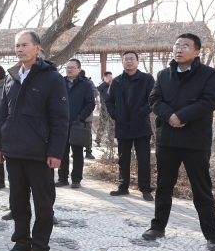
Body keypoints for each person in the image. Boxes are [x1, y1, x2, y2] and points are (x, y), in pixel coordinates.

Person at [143, 33, 215, 251]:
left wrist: (182, 116)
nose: (179, 49)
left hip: (195, 140)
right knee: (163, 186)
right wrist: (171, 116)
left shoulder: (209, 74)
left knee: (202, 189)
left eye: (185, 46)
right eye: (176, 45)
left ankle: (212, 236)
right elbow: (154, 100)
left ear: (196, 52)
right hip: (168, 139)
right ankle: (158, 227)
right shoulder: (163, 74)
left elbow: (210, 100)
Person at [0, 30, 68, 251]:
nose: (20, 49)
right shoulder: (11, 77)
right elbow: (2, 115)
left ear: (37, 49)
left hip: (40, 152)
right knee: (18, 202)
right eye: (17, 45)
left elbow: (60, 119)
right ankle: (22, 243)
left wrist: (55, 152)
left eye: (24, 45)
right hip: (14, 151)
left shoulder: (52, 78)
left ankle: (40, 248)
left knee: (43, 204)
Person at [105, 51, 155, 200]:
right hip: (122, 124)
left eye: (132, 58)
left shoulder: (147, 79)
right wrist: (115, 114)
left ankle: (145, 189)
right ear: (122, 62)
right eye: (126, 59)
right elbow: (109, 100)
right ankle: (123, 186)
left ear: (137, 62)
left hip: (141, 124)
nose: (129, 61)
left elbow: (152, 99)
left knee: (144, 159)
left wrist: (141, 113)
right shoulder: (117, 81)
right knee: (123, 158)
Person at [56, 59, 96, 188]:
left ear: (79, 69)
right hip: (62, 122)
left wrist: (80, 117)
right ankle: (62, 178)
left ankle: (76, 179)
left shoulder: (86, 84)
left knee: (77, 153)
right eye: (68, 67)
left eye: (72, 67)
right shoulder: (60, 82)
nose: (69, 69)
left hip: (77, 124)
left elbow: (91, 103)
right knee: (62, 152)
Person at [95, 72, 114, 146]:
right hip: (104, 107)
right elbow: (98, 89)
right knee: (102, 125)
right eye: (109, 77)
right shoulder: (102, 84)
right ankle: (98, 140)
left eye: (111, 77)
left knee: (112, 125)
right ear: (104, 77)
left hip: (112, 107)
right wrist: (105, 82)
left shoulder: (113, 85)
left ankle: (111, 141)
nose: (110, 79)